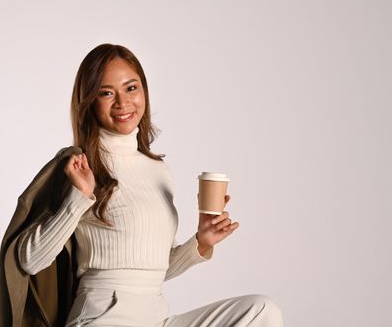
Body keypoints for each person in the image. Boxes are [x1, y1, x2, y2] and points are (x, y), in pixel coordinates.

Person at [16, 43, 283, 326]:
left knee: (262, 311)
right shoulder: (77, 167)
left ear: (144, 91)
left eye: (131, 88)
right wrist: (80, 196)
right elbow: (29, 260)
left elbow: (154, 268)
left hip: (156, 317)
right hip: (103, 317)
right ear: (89, 102)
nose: (122, 103)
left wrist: (201, 243)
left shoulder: (158, 171)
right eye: (106, 93)